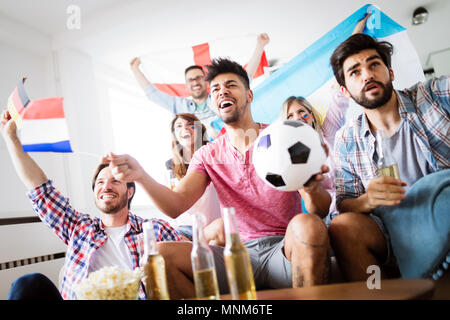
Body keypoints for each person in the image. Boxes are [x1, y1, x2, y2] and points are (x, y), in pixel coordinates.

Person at [102, 58, 332, 299]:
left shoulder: (282, 136)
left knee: (309, 224)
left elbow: (321, 210)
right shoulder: (207, 154)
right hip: (237, 255)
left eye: (231, 85)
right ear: (213, 103)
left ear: (250, 95)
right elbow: (175, 205)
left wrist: (311, 188)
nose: (222, 91)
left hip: (284, 248)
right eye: (215, 89)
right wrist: (140, 175)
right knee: (159, 255)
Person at [0, 109, 182, 300]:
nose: (106, 186)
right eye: (100, 182)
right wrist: (11, 137)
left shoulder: (155, 230)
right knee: (29, 284)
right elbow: (40, 189)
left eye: (115, 181)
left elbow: (191, 265)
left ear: (130, 192)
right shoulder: (79, 227)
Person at [328, 33, 450, 282]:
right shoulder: (345, 139)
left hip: (445, 207)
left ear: (390, 73)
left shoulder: (432, 96)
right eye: (355, 72)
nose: (367, 75)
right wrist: (368, 200)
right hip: (395, 233)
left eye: (374, 64)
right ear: (345, 91)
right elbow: (344, 202)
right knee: (342, 227)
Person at [130, 33, 271, 139]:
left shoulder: (220, 97)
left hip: (232, 142)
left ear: (206, 81)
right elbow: (153, 95)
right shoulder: (180, 106)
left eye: (198, 77)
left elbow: (245, 77)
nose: (195, 82)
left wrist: (260, 46)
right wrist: (136, 70)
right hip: (202, 154)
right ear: (186, 85)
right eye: (191, 80)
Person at [164, 112, 222, 242]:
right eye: (179, 126)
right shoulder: (170, 166)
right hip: (185, 228)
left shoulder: (213, 155)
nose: (184, 128)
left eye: (191, 125)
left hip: (214, 226)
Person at [280, 96, 338, 225]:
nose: (297, 117)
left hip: (356, 198)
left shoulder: (328, 132)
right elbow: (312, 206)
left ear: (311, 116)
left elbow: (338, 103)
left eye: (301, 111)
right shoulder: (292, 160)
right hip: (332, 214)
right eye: (290, 116)